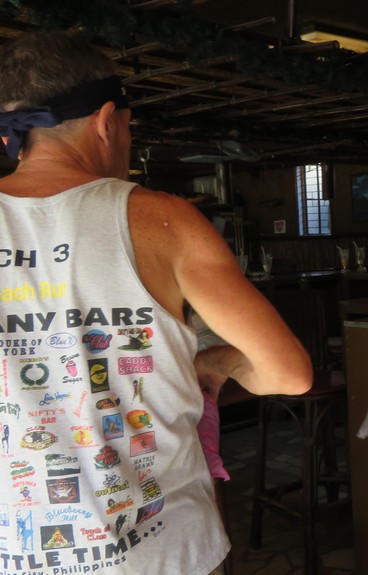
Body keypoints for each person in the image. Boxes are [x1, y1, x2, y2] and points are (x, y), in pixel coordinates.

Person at [0, 31, 312, 575]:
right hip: (164, 553)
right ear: (106, 121)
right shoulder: (163, 221)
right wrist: (217, 362)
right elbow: (289, 373)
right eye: (128, 125)